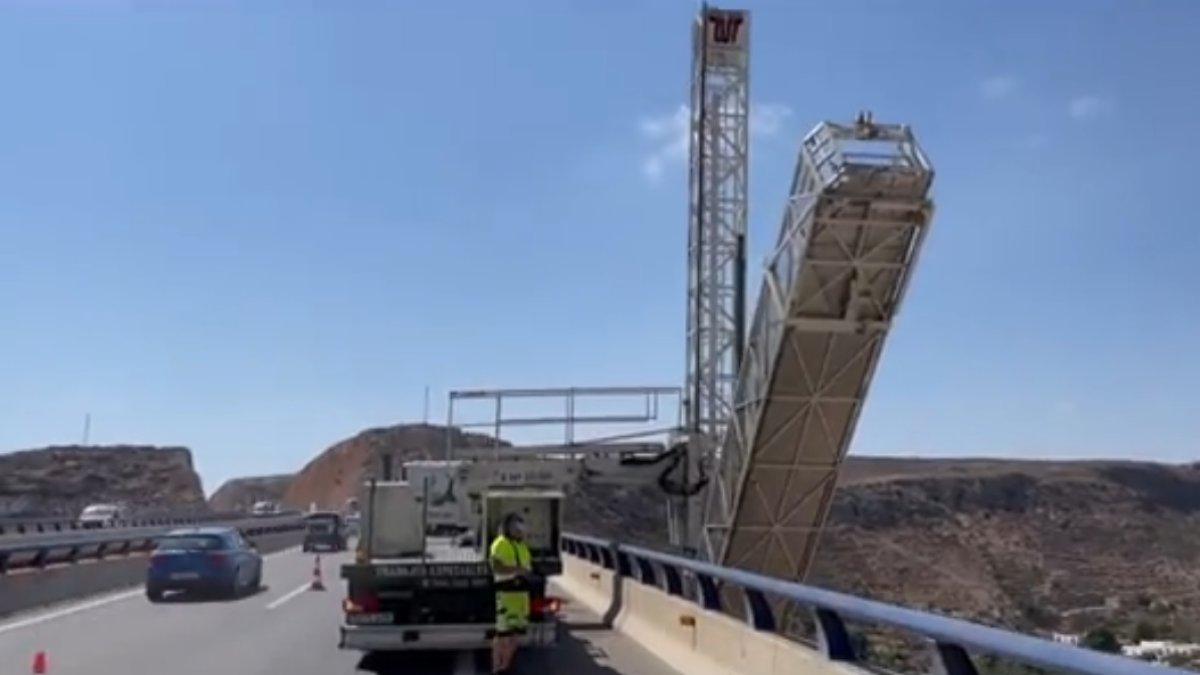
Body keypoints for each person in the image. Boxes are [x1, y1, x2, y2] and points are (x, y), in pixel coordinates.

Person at [490, 512, 533, 675]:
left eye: (521, 525)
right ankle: (497, 667)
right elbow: (496, 567)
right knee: (503, 635)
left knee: (515, 636)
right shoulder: (500, 544)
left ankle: (505, 666)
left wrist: (526, 572)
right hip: (506, 593)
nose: (520, 529)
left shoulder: (522, 546)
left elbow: (527, 567)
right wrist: (518, 570)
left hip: (520, 595)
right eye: (516, 525)